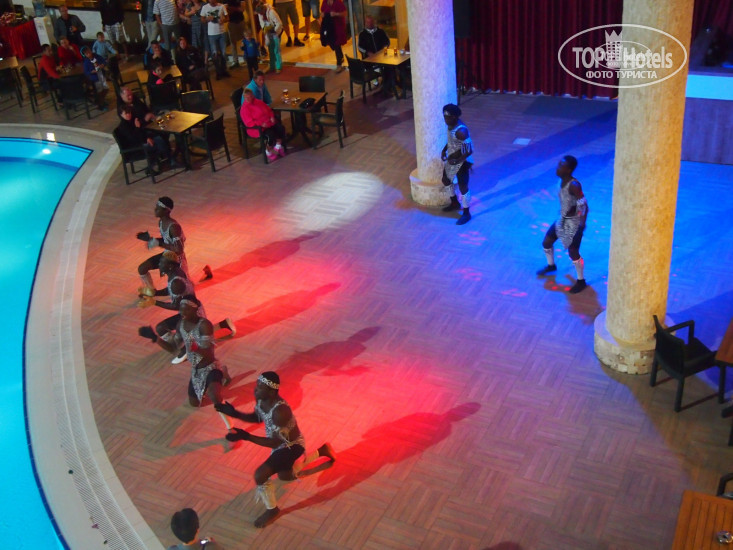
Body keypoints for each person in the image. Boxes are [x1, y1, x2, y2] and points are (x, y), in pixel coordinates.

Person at [215, 372, 336, 528]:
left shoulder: (280, 412)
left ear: (271, 392)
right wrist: (234, 413)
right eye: (257, 385)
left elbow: (275, 443)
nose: (255, 389)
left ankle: (272, 510)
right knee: (286, 476)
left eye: (260, 387)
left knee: (260, 475)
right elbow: (258, 417)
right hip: (280, 443)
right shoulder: (262, 399)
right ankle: (321, 451)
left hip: (292, 446)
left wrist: (246, 436)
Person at [138, 295, 233, 422]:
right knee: (194, 403)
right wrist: (156, 338)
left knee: (214, 395)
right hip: (196, 370)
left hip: (211, 367)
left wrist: (194, 347)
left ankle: (231, 427)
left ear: (195, 309)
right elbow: (174, 349)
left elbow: (208, 353)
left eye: (186, 309)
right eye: (181, 309)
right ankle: (223, 373)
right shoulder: (181, 325)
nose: (182, 312)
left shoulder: (204, 325)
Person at [137, 251, 235, 364]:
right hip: (189, 311)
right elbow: (171, 290)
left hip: (193, 315)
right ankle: (223, 325)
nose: (159, 265)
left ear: (169, 266)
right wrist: (155, 293)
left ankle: (183, 349)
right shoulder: (174, 274)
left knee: (177, 333)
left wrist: (154, 302)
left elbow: (176, 306)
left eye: (162, 263)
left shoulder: (176, 282)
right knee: (165, 329)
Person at [536, 155, 589, 294]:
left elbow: (584, 205)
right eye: (559, 164)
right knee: (546, 243)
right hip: (562, 220)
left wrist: (581, 225)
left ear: (569, 170)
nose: (557, 168)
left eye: (561, 166)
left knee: (573, 252)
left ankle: (581, 281)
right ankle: (551, 266)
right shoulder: (561, 181)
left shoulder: (574, 185)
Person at [137, 197, 189, 290]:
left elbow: (179, 249)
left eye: (158, 208)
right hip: (167, 254)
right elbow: (166, 240)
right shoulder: (161, 222)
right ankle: (150, 290)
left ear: (166, 211)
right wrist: (151, 239)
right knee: (142, 268)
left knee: (177, 287)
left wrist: (157, 243)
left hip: (176, 259)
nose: (155, 210)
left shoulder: (173, 227)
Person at [440, 103, 474, 226]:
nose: (445, 119)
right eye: (444, 117)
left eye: (447, 117)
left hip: (463, 161)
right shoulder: (450, 125)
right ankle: (454, 203)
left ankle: (466, 213)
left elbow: (469, 150)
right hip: (453, 158)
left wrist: (457, 160)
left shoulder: (461, 131)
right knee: (446, 180)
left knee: (463, 186)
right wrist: (444, 149)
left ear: (454, 117)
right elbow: (451, 141)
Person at [116, 104, 170, 175]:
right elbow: (133, 139)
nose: (128, 115)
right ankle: (162, 161)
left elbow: (142, 132)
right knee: (156, 143)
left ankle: (165, 159)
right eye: (126, 113)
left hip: (140, 143)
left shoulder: (132, 121)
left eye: (129, 112)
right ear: (121, 115)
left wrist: (147, 138)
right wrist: (138, 128)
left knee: (158, 138)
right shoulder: (123, 126)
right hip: (134, 149)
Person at [240, 88, 285, 161]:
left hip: (268, 123)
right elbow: (249, 123)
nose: (249, 99)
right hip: (257, 128)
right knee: (271, 134)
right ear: (244, 97)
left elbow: (268, 110)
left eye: (250, 96)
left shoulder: (258, 102)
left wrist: (271, 116)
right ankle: (268, 150)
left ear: (253, 95)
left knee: (280, 128)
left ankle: (278, 146)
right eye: (246, 97)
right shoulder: (244, 109)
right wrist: (260, 124)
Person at [200, 0, 230, 80]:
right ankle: (218, 72)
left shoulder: (221, 6)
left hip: (222, 32)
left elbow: (227, 17)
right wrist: (207, 19)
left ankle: (224, 70)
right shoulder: (205, 7)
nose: (212, 1)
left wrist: (223, 20)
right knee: (214, 53)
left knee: (223, 53)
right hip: (211, 34)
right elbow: (202, 19)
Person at [254, 2, 283, 74]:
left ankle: (278, 66)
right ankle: (272, 66)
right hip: (268, 32)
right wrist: (265, 31)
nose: (260, 14)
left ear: (263, 10)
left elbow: (279, 23)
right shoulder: (260, 13)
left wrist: (274, 31)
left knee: (276, 50)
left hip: (276, 32)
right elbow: (262, 23)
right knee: (270, 50)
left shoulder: (272, 12)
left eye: (261, 13)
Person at [320, 0, 347, 72]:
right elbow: (322, 12)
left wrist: (336, 14)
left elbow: (344, 13)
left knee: (336, 43)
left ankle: (339, 63)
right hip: (329, 26)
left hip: (338, 26)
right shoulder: (324, 2)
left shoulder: (338, 2)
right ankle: (340, 57)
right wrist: (322, 15)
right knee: (334, 43)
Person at [184, 0, 208, 65]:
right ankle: (199, 61)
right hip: (194, 26)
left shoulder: (204, 4)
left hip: (203, 26)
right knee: (196, 44)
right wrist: (191, 12)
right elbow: (186, 14)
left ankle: (206, 61)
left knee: (205, 43)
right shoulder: (190, 5)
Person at [225, 0, 246, 67]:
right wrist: (237, 8)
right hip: (231, 22)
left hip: (241, 21)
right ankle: (235, 61)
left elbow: (242, 9)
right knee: (233, 43)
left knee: (245, 40)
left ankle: (247, 58)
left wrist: (230, 8)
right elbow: (226, 11)